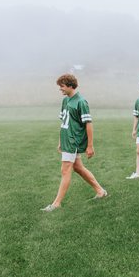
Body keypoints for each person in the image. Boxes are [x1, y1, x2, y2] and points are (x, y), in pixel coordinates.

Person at [41, 74, 107, 212]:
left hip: (73, 141)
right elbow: (64, 123)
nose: (60, 89)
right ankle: (101, 191)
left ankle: (56, 203)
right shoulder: (65, 101)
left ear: (70, 86)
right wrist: (60, 140)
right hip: (66, 140)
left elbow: (88, 124)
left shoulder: (81, 102)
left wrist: (90, 145)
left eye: (62, 86)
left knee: (65, 170)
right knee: (78, 168)